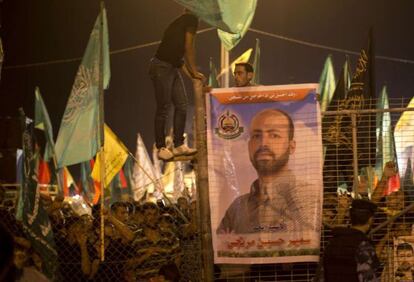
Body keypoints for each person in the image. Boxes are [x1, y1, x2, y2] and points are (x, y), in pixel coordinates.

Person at [216, 108, 316, 234]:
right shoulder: (237, 208)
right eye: (257, 136)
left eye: (274, 135)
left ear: (291, 147)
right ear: (249, 146)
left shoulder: (308, 197)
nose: (263, 143)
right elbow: (222, 246)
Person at [149, 9, 205, 161]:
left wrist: (193, 76)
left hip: (171, 66)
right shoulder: (190, 19)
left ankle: (179, 145)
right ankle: (161, 146)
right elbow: (188, 47)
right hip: (161, 66)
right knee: (164, 107)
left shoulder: (179, 23)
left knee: (182, 104)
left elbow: (178, 59)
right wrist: (194, 70)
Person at [319, 199, 380, 282]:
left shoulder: (332, 242)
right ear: (370, 220)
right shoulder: (363, 245)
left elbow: (322, 274)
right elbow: (367, 277)